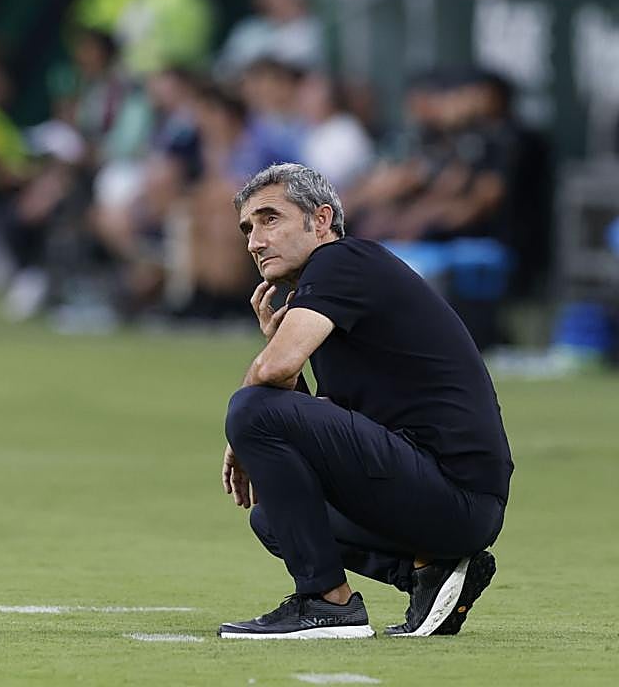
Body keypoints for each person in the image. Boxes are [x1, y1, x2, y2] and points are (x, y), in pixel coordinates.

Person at [218, 163, 512, 638]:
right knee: (274, 517)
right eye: (248, 228)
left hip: (454, 492)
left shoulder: (341, 261)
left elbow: (273, 375)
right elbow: (318, 431)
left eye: (270, 219)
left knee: (251, 409)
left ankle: (326, 605)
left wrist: (244, 424)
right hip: (441, 499)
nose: (254, 241)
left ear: (320, 220)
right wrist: (266, 397)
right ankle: (429, 574)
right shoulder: (331, 289)